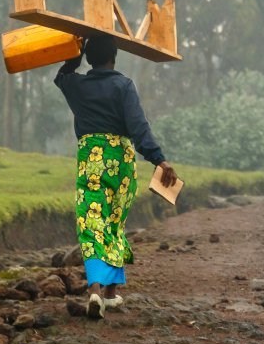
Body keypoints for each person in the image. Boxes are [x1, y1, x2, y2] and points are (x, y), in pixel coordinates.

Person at [55, 34, 177, 319]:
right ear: (114, 57)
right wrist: (159, 159)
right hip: (120, 161)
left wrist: (76, 51)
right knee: (113, 222)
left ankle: (99, 290)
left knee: (92, 220)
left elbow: (63, 74)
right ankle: (108, 293)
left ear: (88, 58)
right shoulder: (124, 86)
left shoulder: (77, 85)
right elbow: (139, 128)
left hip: (90, 159)